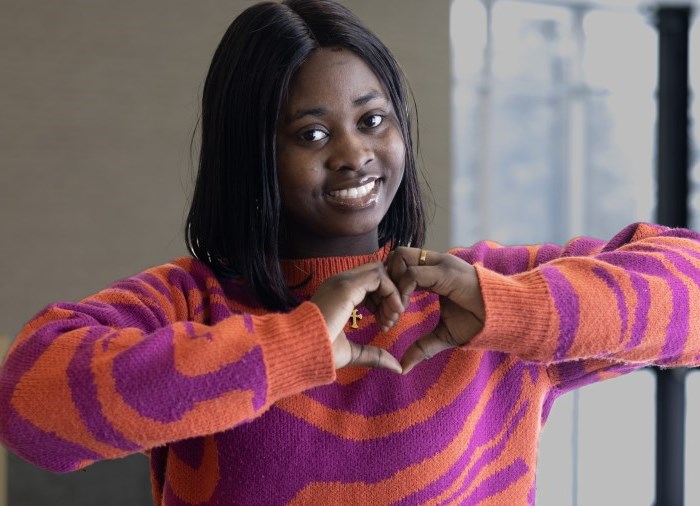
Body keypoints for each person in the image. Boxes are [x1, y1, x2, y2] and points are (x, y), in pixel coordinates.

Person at [1, 0, 699, 504]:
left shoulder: (484, 293)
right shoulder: (194, 302)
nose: (354, 154)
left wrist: (508, 308)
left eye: (372, 120)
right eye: (311, 134)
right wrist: (295, 344)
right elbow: (28, 408)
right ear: (252, 156)